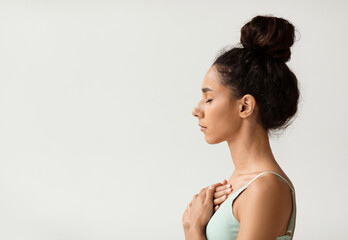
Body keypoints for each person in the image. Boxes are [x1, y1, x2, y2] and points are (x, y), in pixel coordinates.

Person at [182, 15, 299, 240]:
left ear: (245, 106)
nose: (197, 110)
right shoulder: (240, 182)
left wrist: (194, 228)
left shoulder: (265, 188)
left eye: (208, 99)